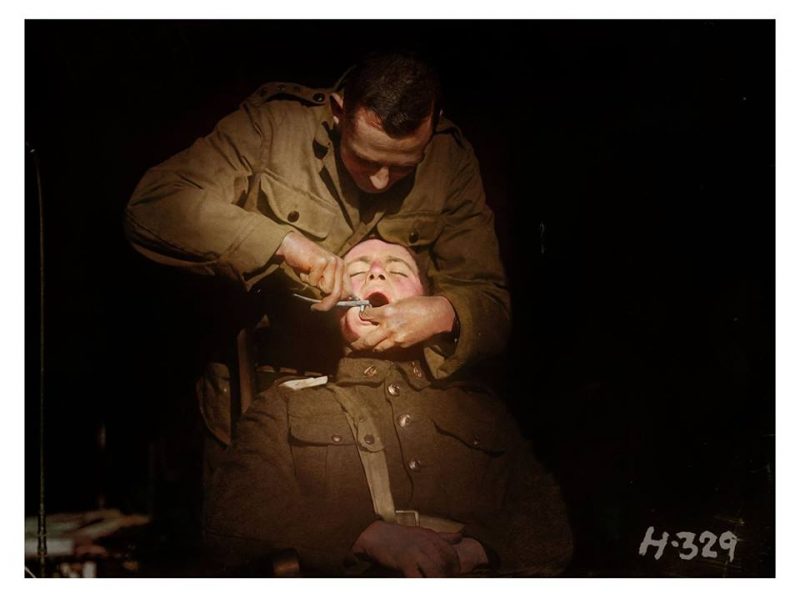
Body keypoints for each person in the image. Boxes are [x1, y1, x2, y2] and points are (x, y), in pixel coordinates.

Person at [124, 52, 511, 450]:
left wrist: (446, 314)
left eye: (402, 168)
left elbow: (491, 305)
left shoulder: (451, 158)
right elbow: (155, 206)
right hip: (266, 395)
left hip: (400, 414)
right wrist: (282, 245)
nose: (380, 182)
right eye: (365, 160)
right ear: (339, 111)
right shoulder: (274, 128)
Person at [203, 239, 572, 577]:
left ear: (425, 300)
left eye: (398, 270)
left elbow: (548, 525)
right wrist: (366, 537)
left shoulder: (480, 408)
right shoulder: (285, 404)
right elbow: (233, 515)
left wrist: (474, 552)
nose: (378, 272)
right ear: (337, 306)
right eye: (359, 270)